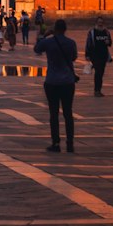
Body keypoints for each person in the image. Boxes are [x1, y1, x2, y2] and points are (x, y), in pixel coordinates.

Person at [35, 18, 79, 152]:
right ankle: (70, 143)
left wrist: (44, 34)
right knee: (68, 113)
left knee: (53, 114)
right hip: (67, 81)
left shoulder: (49, 42)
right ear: (65, 29)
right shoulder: (71, 43)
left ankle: (56, 143)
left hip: (52, 81)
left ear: (55, 29)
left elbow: (37, 49)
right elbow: (73, 58)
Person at [85, 16, 113, 96]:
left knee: (100, 73)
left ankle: (98, 90)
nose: (100, 24)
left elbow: (110, 43)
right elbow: (88, 43)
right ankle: (97, 90)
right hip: (95, 55)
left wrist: (108, 42)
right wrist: (87, 54)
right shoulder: (92, 32)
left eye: (101, 22)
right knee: (98, 72)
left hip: (103, 55)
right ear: (96, 23)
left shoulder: (106, 32)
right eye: (99, 22)